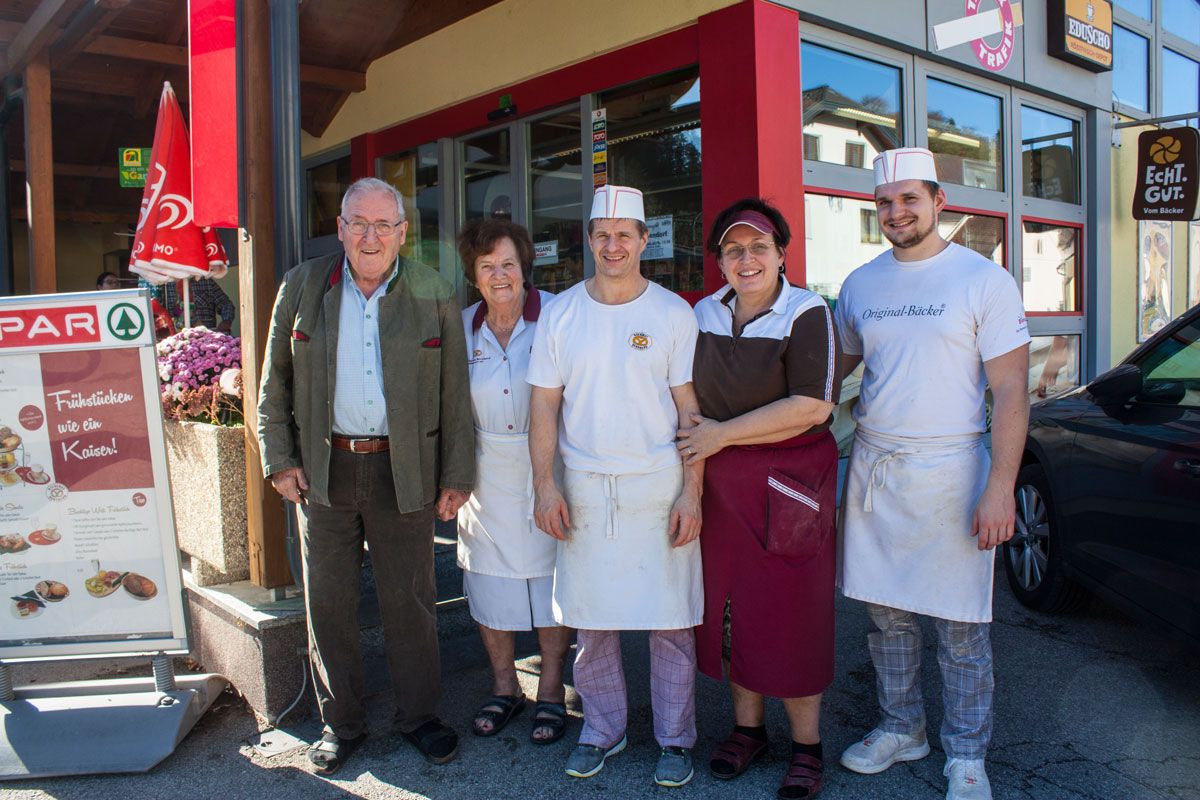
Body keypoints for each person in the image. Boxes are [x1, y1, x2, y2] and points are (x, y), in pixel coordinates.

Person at [257, 177, 474, 775]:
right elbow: (272, 382)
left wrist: (457, 473)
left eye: (384, 224)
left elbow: (455, 389)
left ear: (403, 233)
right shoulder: (303, 286)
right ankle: (340, 722)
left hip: (404, 468)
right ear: (341, 228)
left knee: (411, 601)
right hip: (323, 468)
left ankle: (420, 716)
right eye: (359, 222)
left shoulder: (432, 289)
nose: (371, 236)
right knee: (327, 602)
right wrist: (279, 459)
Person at [834, 148, 1030, 800]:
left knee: (962, 628)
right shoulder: (862, 284)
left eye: (908, 199)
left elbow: (1011, 392)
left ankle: (967, 754)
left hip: (954, 471)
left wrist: (1000, 485)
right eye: (884, 202)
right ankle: (903, 727)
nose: (895, 213)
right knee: (886, 620)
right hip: (878, 471)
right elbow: (830, 375)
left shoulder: (983, 280)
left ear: (939, 201)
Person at [527, 184, 704, 787]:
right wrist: (544, 486)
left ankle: (676, 739)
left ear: (644, 240)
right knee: (592, 622)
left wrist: (692, 493)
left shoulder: (673, 313)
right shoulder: (561, 313)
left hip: (658, 486)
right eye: (602, 234)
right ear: (588, 240)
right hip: (583, 487)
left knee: (671, 620)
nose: (612, 245)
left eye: (624, 234)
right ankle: (603, 728)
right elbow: (544, 408)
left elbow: (690, 415)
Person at [679, 198, 842, 799]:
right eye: (733, 249)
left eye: (759, 248)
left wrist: (719, 434)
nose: (747, 260)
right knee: (733, 613)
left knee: (793, 613)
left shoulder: (807, 312)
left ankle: (807, 746)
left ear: (781, 254)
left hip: (791, 485)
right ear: (720, 261)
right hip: (724, 489)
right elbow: (685, 392)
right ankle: (749, 731)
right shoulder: (703, 313)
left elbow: (813, 405)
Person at [455, 218, 572, 745]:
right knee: (489, 583)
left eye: (508, 264)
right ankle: (505, 687)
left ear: (525, 267)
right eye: (487, 267)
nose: (499, 275)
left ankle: (550, 689)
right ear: (474, 276)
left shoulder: (558, 317)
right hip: (484, 475)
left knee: (552, 586)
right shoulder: (461, 328)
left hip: (551, 469)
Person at [162, 276, 236, 331]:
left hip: (206, 340)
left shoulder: (206, 281)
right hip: (176, 341)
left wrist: (226, 322)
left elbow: (225, 304)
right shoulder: (165, 285)